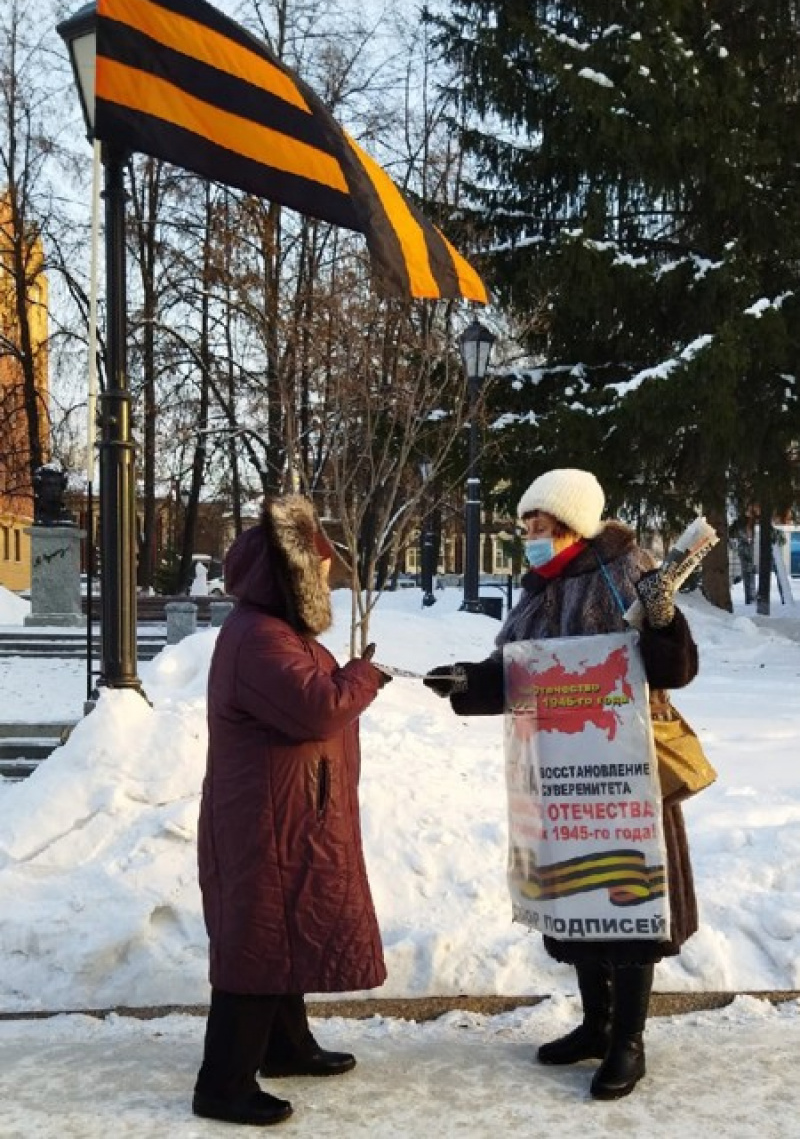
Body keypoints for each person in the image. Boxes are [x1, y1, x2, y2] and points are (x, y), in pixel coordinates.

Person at [424, 468, 699, 1102]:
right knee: (578, 899)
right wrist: (466, 682)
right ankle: (596, 1025)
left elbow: (675, 669)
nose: (529, 538)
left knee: (629, 899)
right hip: (560, 778)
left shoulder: (628, 572)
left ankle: (629, 1040)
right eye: (525, 527)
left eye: (538, 526)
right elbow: (515, 674)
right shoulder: (538, 591)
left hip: (626, 777)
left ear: (572, 525)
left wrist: (662, 620)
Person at [194, 495, 392, 1127]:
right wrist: (364, 675)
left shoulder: (273, 630)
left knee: (283, 927)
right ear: (292, 576)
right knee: (257, 939)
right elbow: (317, 707)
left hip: (286, 810)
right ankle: (222, 1084)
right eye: (320, 569)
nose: (329, 577)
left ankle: (284, 1046)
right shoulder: (257, 638)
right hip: (263, 820)